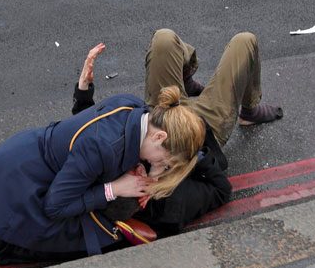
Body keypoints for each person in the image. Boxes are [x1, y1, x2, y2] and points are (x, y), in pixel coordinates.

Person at [0, 84, 206, 263]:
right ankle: (7, 240)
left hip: (26, 157)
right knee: (95, 238)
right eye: (163, 162)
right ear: (159, 136)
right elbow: (55, 206)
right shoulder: (103, 148)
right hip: (22, 186)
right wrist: (115, 189)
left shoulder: (135, 107)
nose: (159, 168)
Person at [70, 29, 283, 236]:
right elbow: (221, 190)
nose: (137, 169)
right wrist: (193, 153)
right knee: (245, 41)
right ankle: (249, 108)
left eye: (131, 173)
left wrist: (83, 90)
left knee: (164, 39)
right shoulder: (171, 208)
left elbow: (89, 135)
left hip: (164, 112)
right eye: (140, 178)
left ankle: (185, 81)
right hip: (205, 126)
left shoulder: (112, 170)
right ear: (143, 199)